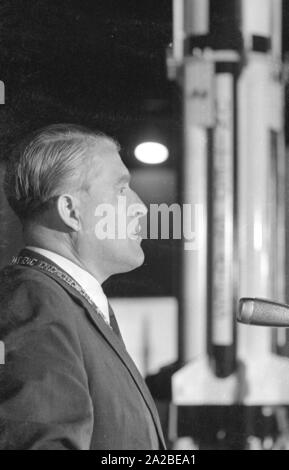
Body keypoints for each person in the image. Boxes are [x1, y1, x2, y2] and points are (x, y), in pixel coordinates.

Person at [0, 124, 166, 450]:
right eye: (121, 190)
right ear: (71, 211)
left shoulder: (64, 302)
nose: (140, 206)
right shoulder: (36, 301)